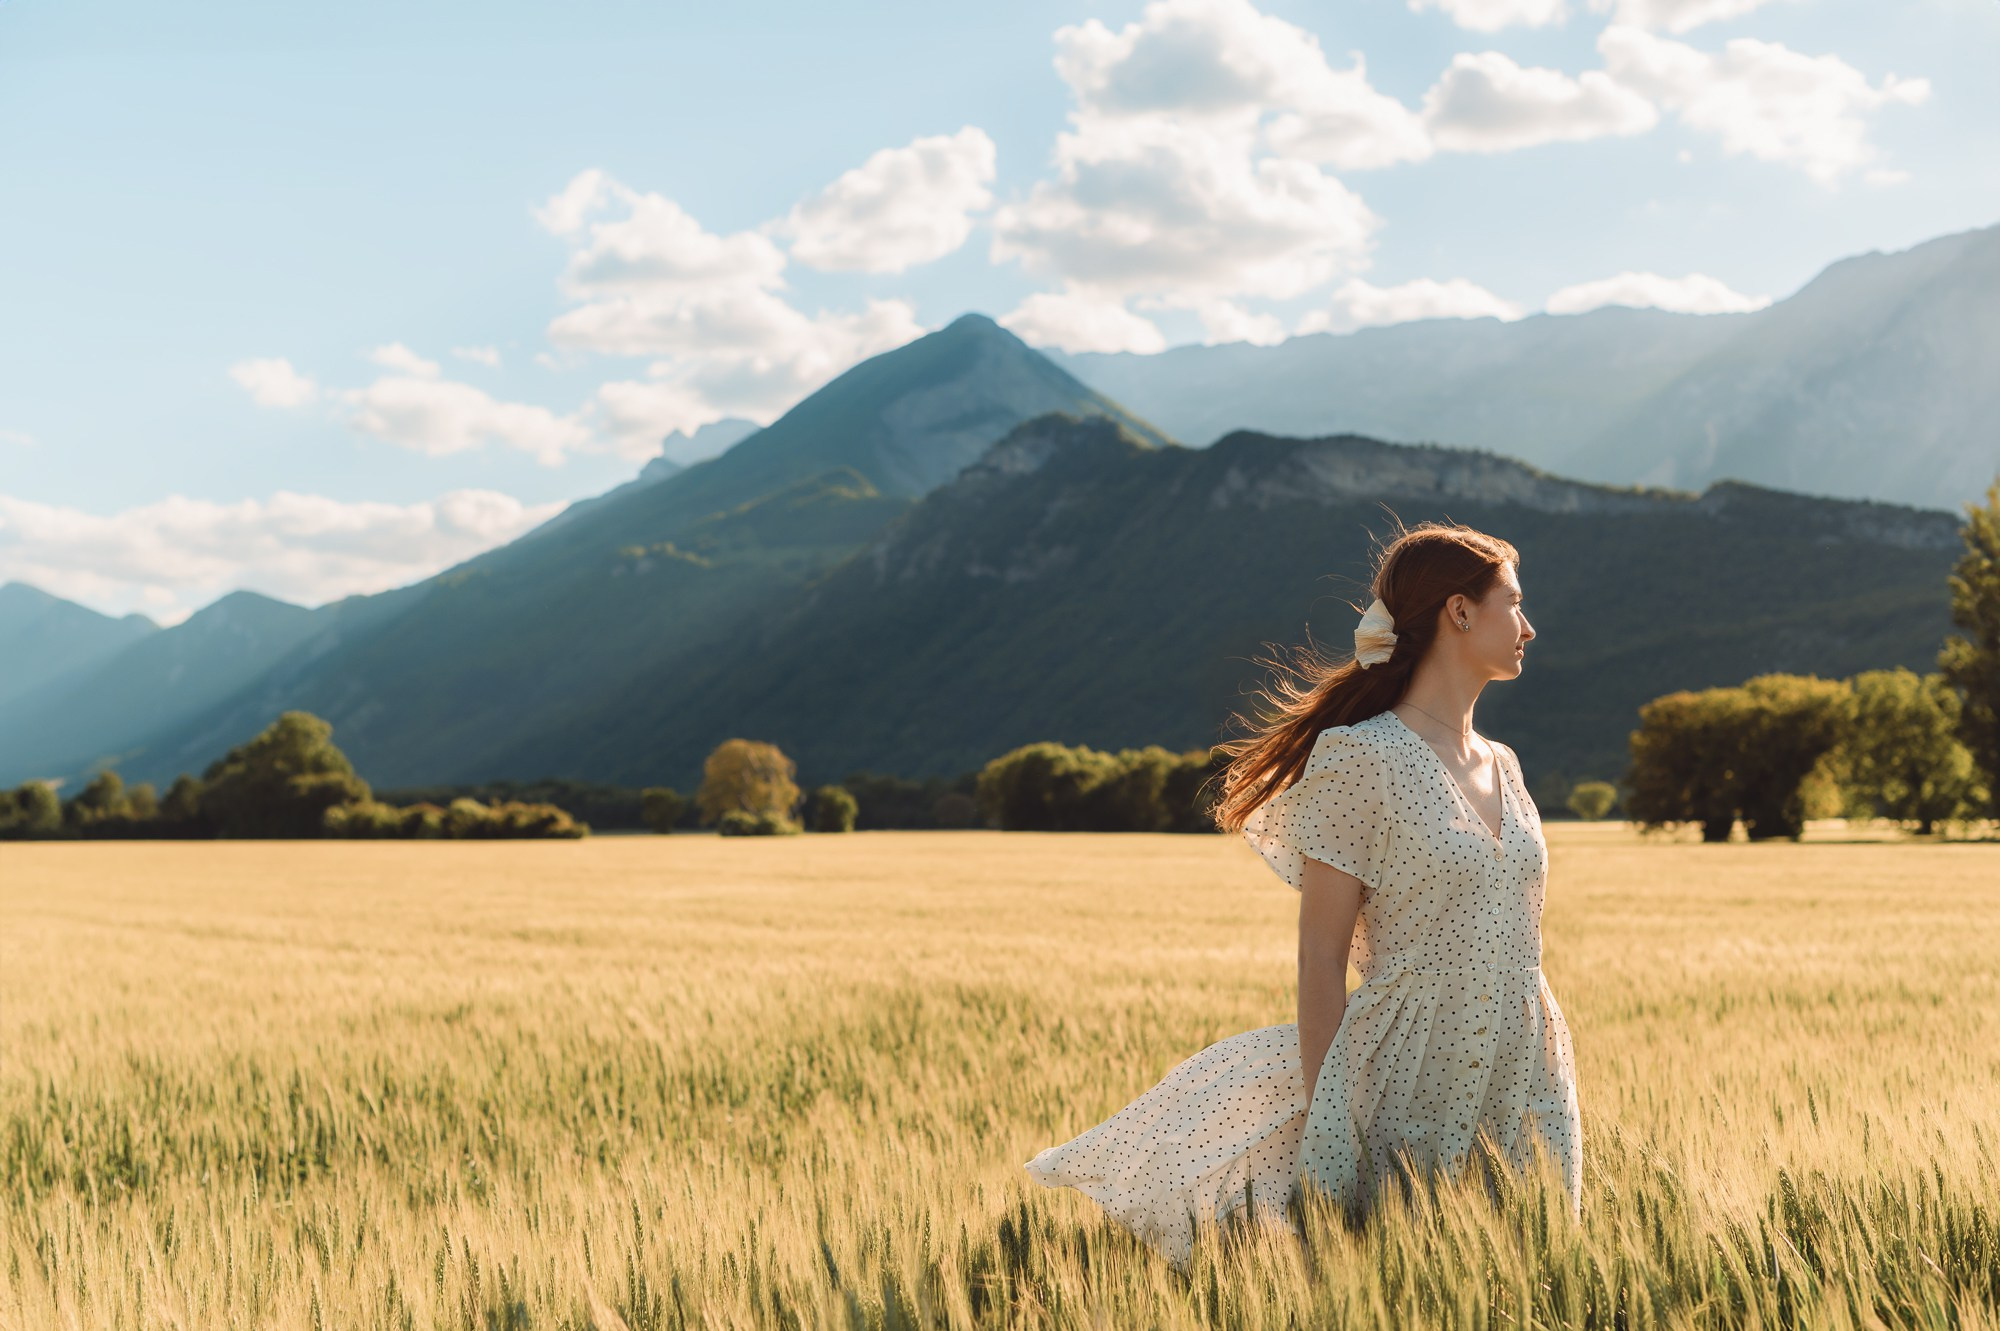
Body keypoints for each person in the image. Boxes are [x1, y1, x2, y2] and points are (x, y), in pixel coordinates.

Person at [1023, 522, 1582, 1266]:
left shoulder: (1505, 764)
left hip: (1527, 1056)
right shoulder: (1360, 757)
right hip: (1410, 1068)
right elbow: (1320, 954)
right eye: (1513, 603)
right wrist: (1330, 1118)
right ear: (1459, 611)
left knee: (1532, 1269)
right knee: (1399, 1276)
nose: (1528, 626)